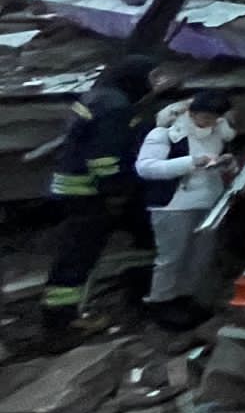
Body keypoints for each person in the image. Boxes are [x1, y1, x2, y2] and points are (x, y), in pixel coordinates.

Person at [42, 55, 160, 341]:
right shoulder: (115, 107)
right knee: (79, 254)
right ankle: (62, 323)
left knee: (138, 233)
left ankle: (139, 290)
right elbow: (105, 158)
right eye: (152, 79)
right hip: (90, 192)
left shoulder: (99, 96)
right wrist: (117, 190)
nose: (154, 85)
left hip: (74, 186)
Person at [134, 89, 237, 329]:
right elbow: (146, 167)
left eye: (213, 119)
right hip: (173, 205)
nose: (207, 123)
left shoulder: (218, 135)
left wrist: (224, 165)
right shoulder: (165, 134)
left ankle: (187, 298)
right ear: (191, 113)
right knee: (171, 257)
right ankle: (161, 301)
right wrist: (190, 163)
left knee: (199, 256)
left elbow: (215, 166)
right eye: (203, 117)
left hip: (208, 202)